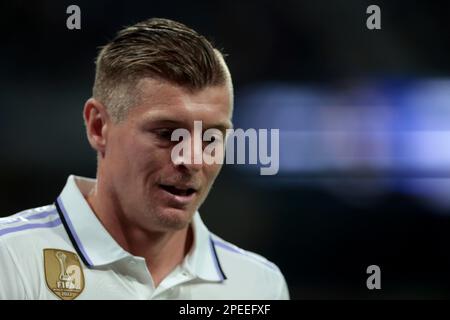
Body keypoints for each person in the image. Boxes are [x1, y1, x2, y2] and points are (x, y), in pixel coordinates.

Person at [0, 18, 289, 300]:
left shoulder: (259, 285)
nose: (192, 159)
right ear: (98, 127)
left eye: (211, 138)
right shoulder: (10, 260)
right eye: (166, 133)